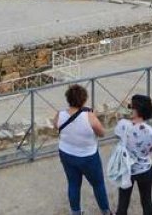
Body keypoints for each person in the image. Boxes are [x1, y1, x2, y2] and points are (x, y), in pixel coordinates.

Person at [53, 83, 112, 215]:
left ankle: (76, 212)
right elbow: (102, 133)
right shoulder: (89, 116)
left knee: (73, 184)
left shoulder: (60, 114)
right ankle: (105, 211)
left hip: (66, 153)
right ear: (84, 99)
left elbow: (56, 126)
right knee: (98, 184)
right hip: (88, 156)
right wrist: (93, 117)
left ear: (68, 99)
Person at [115, 94, 152, 215]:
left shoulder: (123, 125)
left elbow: (117, 136)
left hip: (127, 170)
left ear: (136, 110)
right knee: (147, 202)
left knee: (123, 204)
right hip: (145, 168)